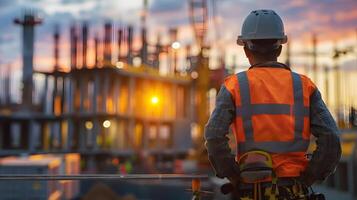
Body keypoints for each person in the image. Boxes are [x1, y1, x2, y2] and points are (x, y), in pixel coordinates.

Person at [204, 9, 341, 199]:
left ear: (246, 49)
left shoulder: (234, 85)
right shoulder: (304, 86)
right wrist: (308, 178)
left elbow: (213, 135)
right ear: (280, 48)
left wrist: (234, 175)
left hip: (251, 190)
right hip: (293, 190)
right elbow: (331, 137)